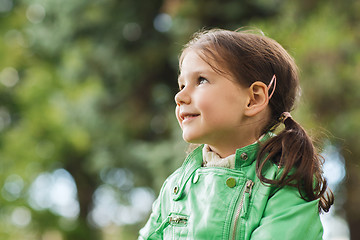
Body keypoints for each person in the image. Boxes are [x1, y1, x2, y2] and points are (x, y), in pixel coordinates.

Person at [138, 28, 334, 239]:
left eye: (201, 80)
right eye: (182, 84)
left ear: (254, 99)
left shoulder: (285, 181)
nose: (180, 96)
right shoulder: (175, 188)